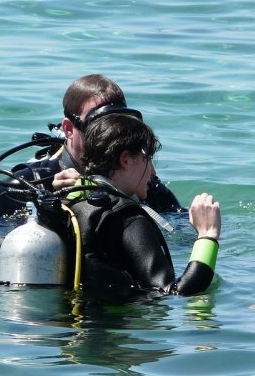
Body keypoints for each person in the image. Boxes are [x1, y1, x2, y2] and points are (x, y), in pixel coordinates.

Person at [58, 112, 220, 296]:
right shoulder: (127, 218)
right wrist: (208, 235)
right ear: (125, 160)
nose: (152, 172)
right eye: (148, 158)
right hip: (115, 323)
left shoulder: (71, 199)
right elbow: (175, 292)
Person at [0, 74, 182, 218]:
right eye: (98, 128)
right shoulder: (30, 183)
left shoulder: (141, 182)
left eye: (118, 127)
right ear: (68, 129)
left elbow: (181, 234)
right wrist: (47, 212)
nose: (112, 137)